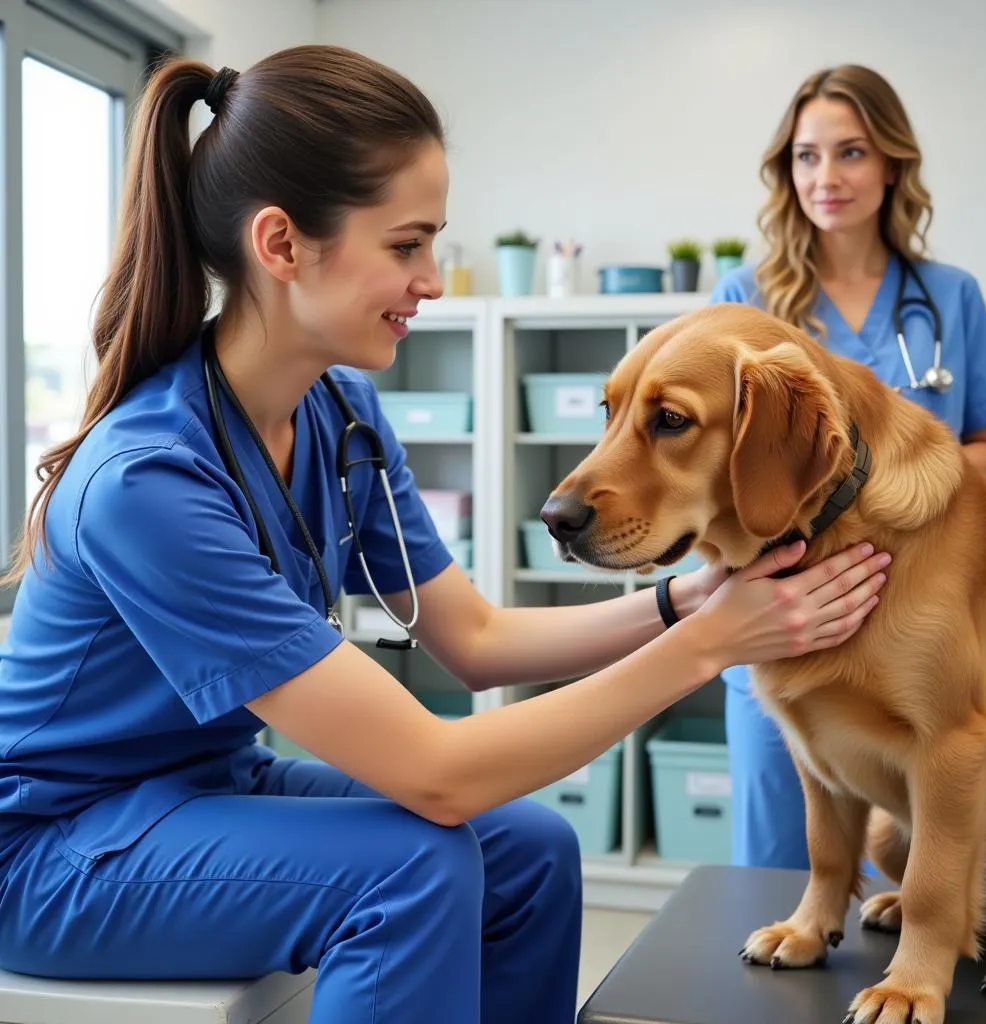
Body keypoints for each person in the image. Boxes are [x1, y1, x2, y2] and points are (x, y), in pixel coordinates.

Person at [0, 47, 889, 1024]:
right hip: (55, 848)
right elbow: (436, 769)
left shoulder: (340, 413)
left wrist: (686, 599)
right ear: (282, 245)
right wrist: (711, 646)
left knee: (532, 850)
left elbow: (475, 641)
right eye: (406, 245)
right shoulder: (149, 482)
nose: (430, 278)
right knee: (413, 865)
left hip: (209, 785)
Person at [710, 63, 986, 872]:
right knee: (777, 875)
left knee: (928, 836)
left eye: (850, 153)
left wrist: (902, 491)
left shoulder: (948, 295)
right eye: (806, 157)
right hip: (779, 615)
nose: (827, 177)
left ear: (891, 164)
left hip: (920, 619)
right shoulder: (745, 303)